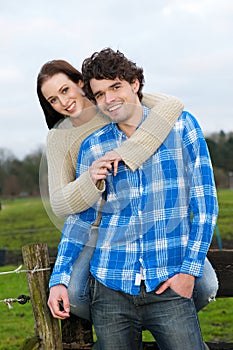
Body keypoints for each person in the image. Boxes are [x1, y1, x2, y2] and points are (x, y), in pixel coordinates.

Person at [50, 48, 219, 349]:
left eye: (116, 87)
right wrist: (58, 279)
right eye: (100, 94)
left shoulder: (181, 127)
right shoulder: (93, 146)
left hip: (169, 283)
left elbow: (205, 207)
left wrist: (189, 272)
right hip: (111, 286)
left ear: (135, 84)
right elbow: (80, 219)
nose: (109, 98)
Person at [37, 59, 186, 320]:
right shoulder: (58, 138)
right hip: (97, 228)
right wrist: (90, 179)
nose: (63, 102)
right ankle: (121, 321)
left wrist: (124, 153)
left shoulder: (110, 103)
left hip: (150, 215)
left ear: (80, 83)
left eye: (65, 90)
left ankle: (163, 320)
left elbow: (172, 105)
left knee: (207, 285)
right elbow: (59, 203)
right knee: (76, 294)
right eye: (53, 100)